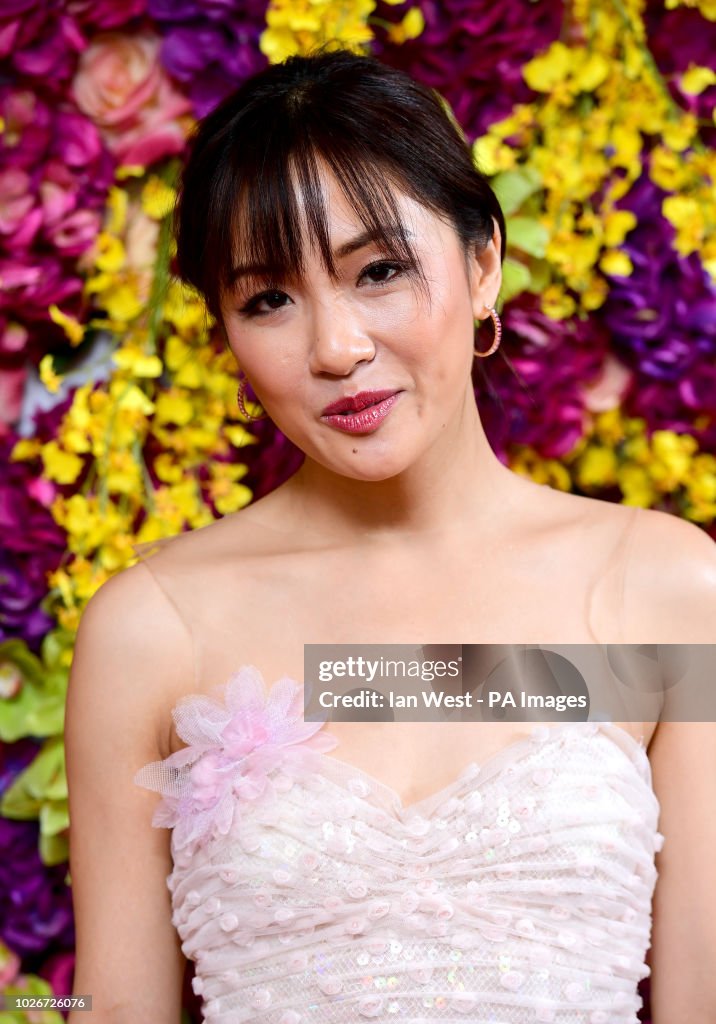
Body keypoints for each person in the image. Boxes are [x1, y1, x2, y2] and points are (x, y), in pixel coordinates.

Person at [64, 48, 716, 1024]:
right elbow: (113, 1012)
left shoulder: (660, 592)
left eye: (378, 271)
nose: (335, 347)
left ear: (483, 263)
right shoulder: (151, 630)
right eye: (268, 300)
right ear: (224, 333)